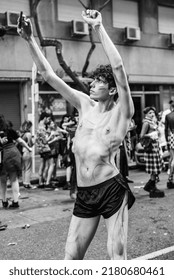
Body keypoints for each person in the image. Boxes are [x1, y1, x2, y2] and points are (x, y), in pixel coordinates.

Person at [18, 9, 135, 260]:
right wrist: (29, 39)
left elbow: (118, 67)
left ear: (113, 90)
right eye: (92, 82)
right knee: (71, 257)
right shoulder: (84, 104)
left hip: (111, 190)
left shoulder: (122, 113)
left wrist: (98, 28)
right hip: (85, 193)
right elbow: (48, 75)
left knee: (117, 254)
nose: (91, 84)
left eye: (98, 82)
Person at [0, 115, 32, 208]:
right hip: (13, 153)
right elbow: (21, 141)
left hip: (2, 155)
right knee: (14, 179)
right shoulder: (10, 130)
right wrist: (28, 148)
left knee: (2, 180)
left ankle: (4, 201)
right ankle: (15, 202)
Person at [140, 107, 165, 198]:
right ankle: (152, 187)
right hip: (151, 148)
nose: (152, 114)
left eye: (153, 112)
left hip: (156, 147)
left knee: (157, 167)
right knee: (154, 169)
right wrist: (151, 135)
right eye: (150, 113)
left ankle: (150, 185)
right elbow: (141, 136)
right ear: (146, 114)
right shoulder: (146, 123)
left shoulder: (153, 122)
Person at [21, 120, 35, 189]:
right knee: (28, 168)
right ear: (28, 126)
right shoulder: (28, 134)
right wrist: (34, 141)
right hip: (27, 151)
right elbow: (30, 144)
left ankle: (24, 182)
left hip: (22, 152)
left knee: (23, 168)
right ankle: (27, 183)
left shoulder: (22, 134)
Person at [165, 101, 174, 189]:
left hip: (172, 137)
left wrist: (168, 142)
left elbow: (165, 130)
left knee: (172, 159)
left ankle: (170, 179)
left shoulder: (168, 116)